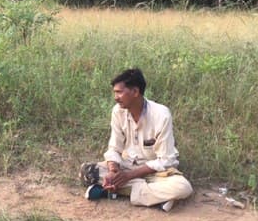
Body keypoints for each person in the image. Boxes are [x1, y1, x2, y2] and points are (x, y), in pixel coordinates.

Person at [80, 68, 193, 211]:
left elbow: (166, 160)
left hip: (154, 172)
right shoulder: (118, 111)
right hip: (126, 165)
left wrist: (128, 177)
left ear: (135, 92)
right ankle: (156, 198)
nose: (116, 97)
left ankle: (114, 190)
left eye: (120, 92)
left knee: (183, 187)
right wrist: (113, 171)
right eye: (115, 92)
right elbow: (114, 148)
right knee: (88, 171)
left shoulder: (161, 115)